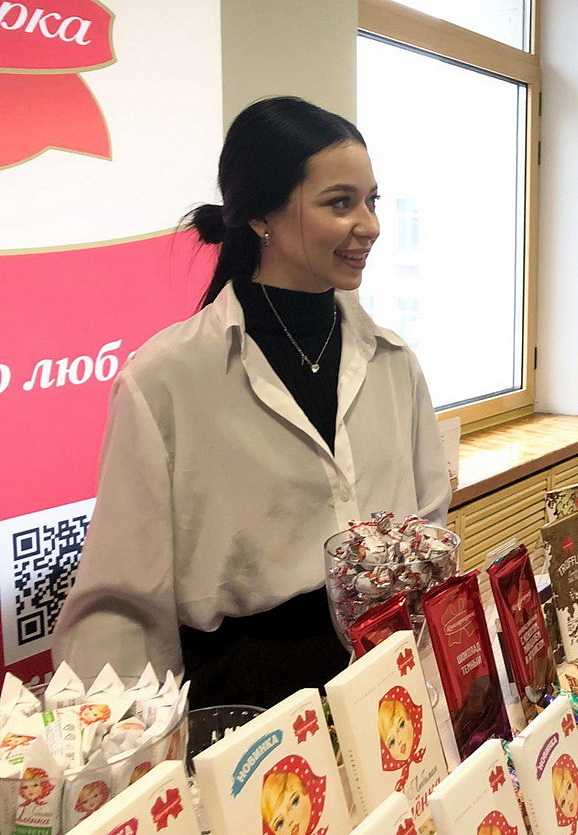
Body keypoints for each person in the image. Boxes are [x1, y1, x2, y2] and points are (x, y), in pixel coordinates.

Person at [53, 97, 451, 709]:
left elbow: (428, 524)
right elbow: (124, 602)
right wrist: (134, 741)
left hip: (389, 667)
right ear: (263, 215)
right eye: (339, 202)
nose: (369, 225)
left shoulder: (393, 362)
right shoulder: (169, 378)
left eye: (372, 200)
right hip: (252, 694)